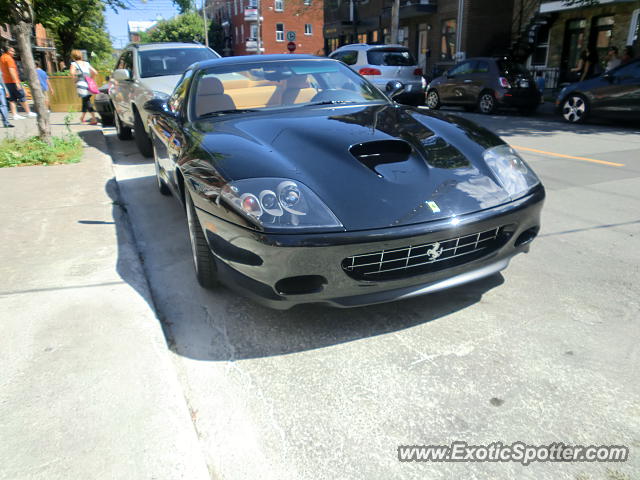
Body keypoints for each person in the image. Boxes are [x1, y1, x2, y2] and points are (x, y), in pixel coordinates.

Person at [0, 45, 37, 120]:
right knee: (22, 96)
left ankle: (14, 115)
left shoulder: (1, 58)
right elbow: (12, 70)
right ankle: (28, 112)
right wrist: (17, 82)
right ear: (8, 51)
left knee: (11, 99)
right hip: (13, 81)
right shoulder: (9, 59)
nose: (14, 53)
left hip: (6, 82)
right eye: (12, 51)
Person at [69, 49, 98, 125]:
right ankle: (82, 118)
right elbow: (95, 72)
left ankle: (94, 118)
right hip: (88, 84)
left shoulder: (74, 64)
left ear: (73, 56)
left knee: (86, 101)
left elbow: (72, 73)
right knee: (85, 100)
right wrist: (91, 78)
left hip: (81, 84)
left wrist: (75, 79)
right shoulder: (86, 63)